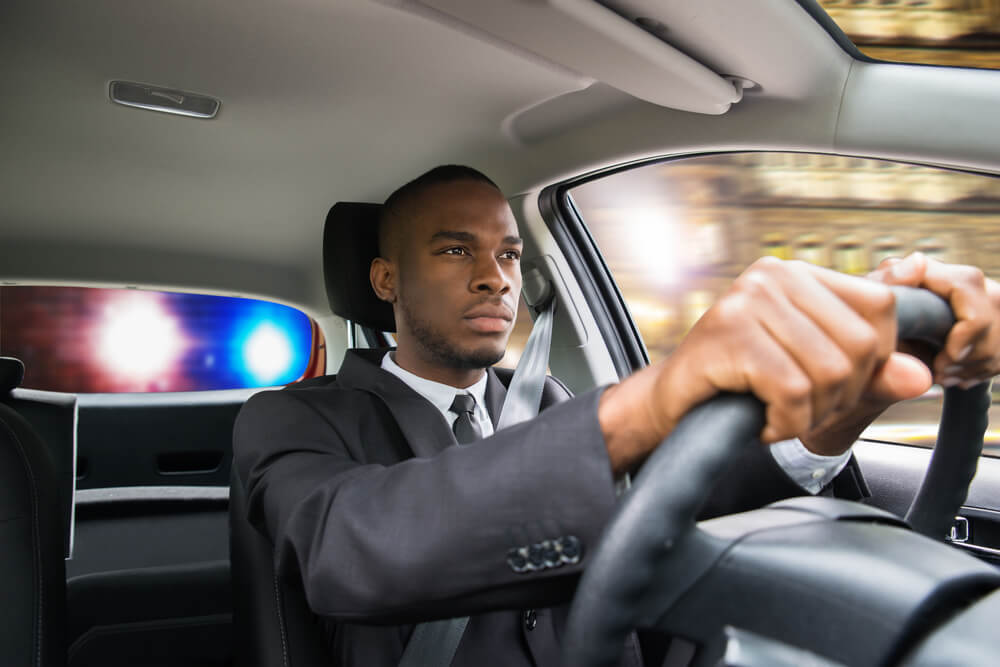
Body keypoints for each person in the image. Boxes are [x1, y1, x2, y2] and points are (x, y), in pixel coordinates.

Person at [233, 165, 1000, 666]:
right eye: (456, 252)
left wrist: (828, 420)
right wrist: (662, 392)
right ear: (384, 278)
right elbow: (353, 549)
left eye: (506, 255)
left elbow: (677, 509)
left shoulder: (549, 406)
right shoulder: (292, 420)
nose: (496, 280)